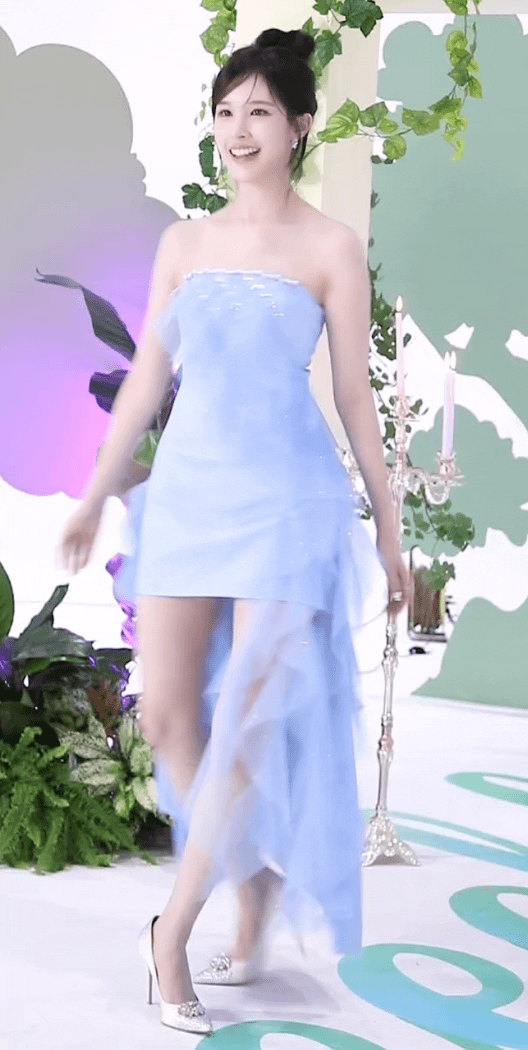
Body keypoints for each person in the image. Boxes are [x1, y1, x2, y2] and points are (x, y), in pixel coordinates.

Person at [58, 26, 410, 1037]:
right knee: (171, 714)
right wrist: (95, 491)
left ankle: (169, 934)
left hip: (289, 504)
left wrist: (388, 533)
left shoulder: (331, 247)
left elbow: (354, 397)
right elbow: (149, 381)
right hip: (191, 498)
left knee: (250, 719)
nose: (238, 129)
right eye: (225, 111)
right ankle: (251, 879)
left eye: (259, 111)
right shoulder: (185, 243)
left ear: (299, 126)